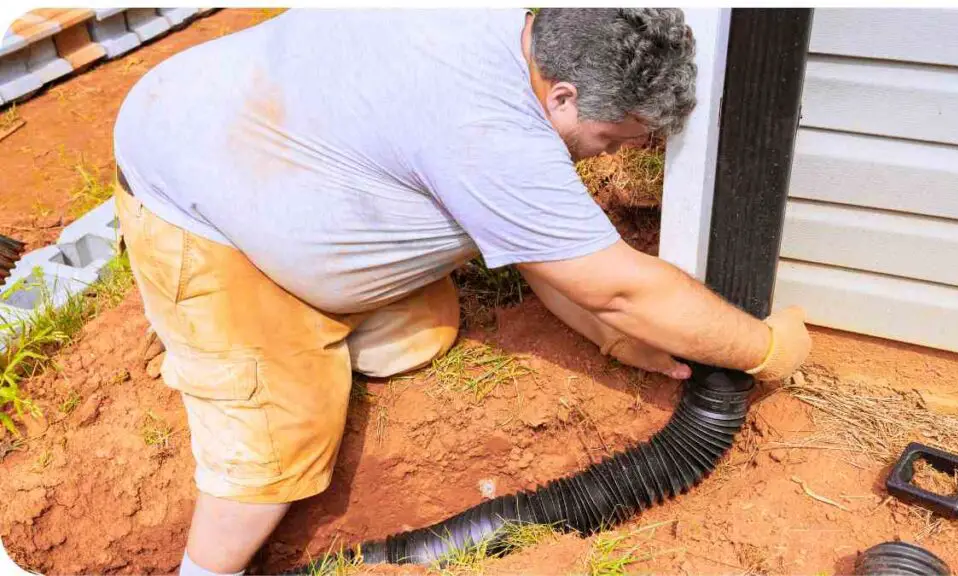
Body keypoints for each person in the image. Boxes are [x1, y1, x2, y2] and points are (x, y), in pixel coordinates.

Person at [112, 8, 812, 575]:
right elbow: (618, 288)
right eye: (613, 136)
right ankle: (208, 563)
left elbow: (562, 261)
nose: (620, 154)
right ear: (562, 95)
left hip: (266, 128)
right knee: (277, 433)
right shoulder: (491, 132)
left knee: (418, 334)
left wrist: (606, 333)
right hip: (200, 191)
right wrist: (765, 348)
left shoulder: (521, 32)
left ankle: (304, 302)